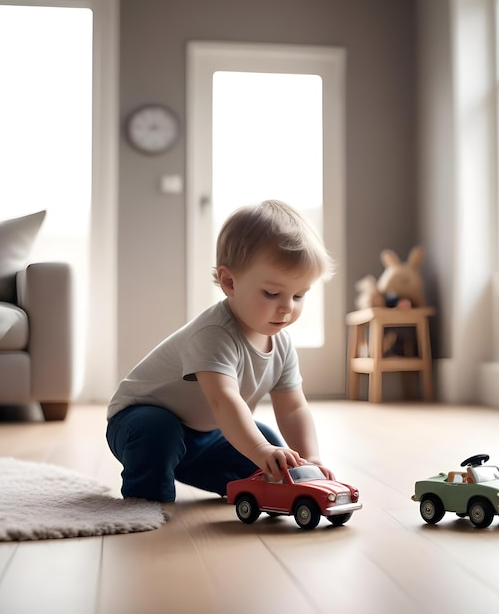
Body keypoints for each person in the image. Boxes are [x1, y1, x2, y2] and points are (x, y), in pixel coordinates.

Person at [106, 200, 334, 502]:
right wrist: (259, 450)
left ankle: (251, 491)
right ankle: (146, 499)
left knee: (274, 452)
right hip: (139, 424)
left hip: (207, 435)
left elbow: (293, 407)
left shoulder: (281, 344)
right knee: (161, 432)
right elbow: (223, 399)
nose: (287, 307)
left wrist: (310, 458)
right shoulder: (214, 334)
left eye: (299, 295)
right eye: (272, 293)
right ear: (230, 282)